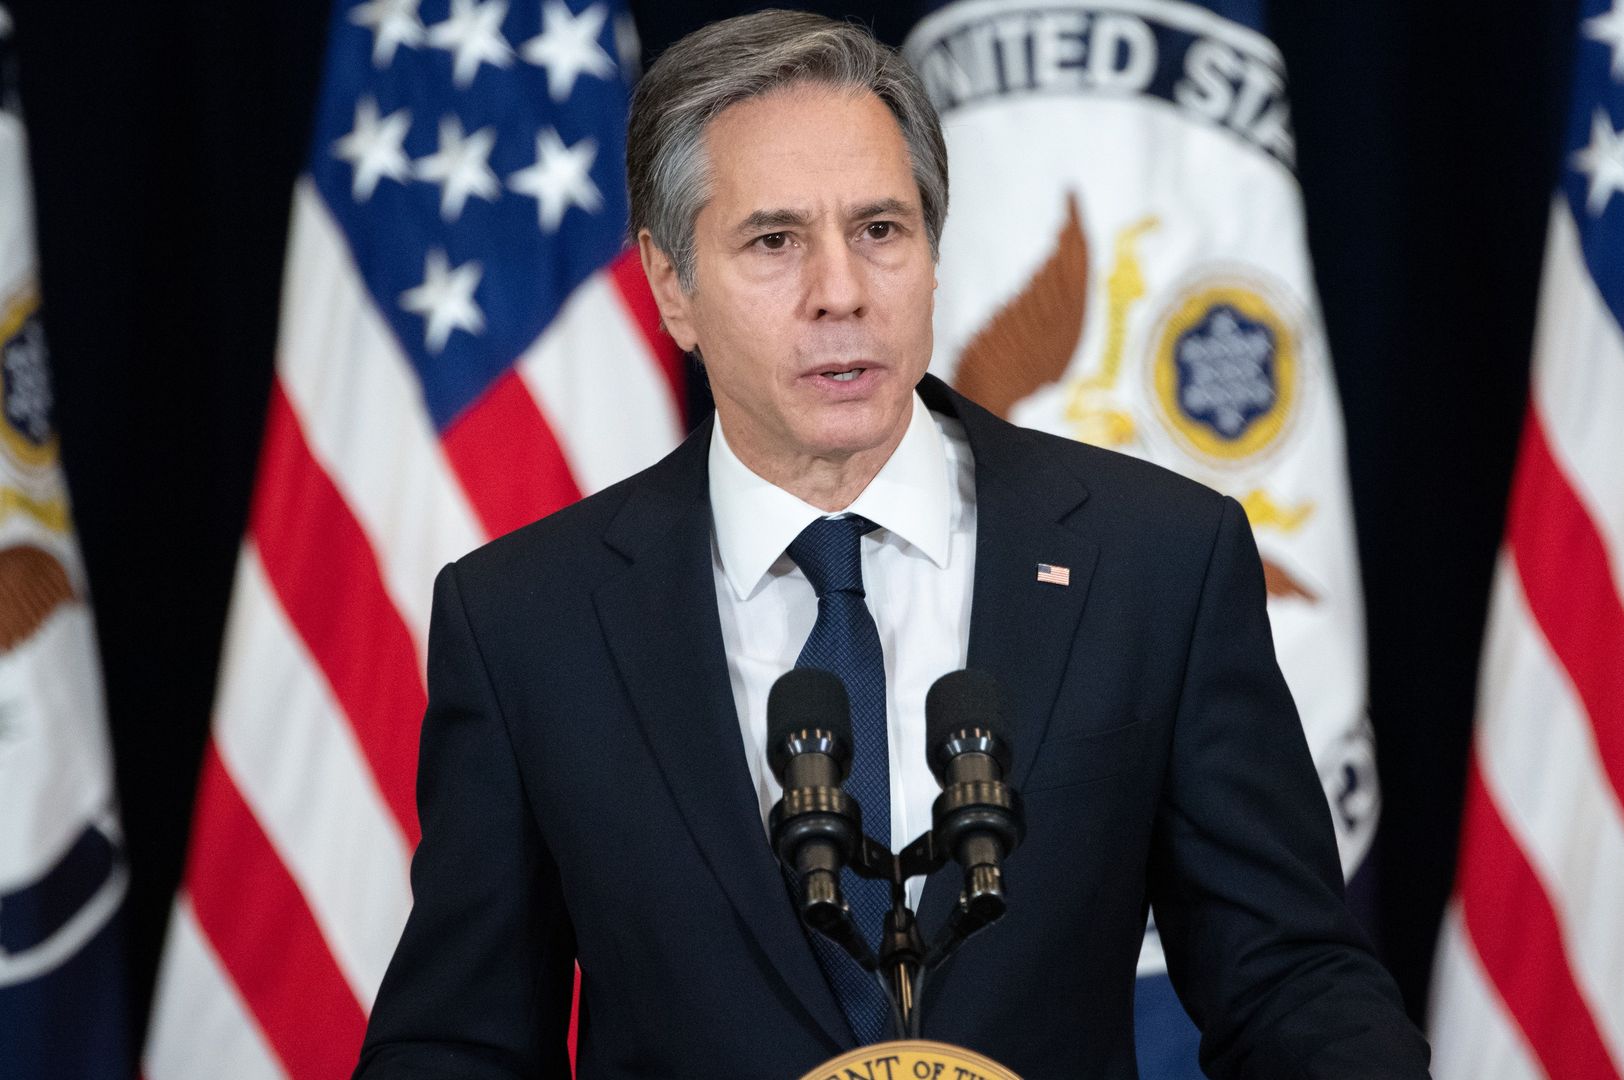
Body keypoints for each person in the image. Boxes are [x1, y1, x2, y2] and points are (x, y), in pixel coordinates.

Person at [354, 10, 1429, 1079]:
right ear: (672, 284)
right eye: (775, 242)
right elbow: (461, 1040)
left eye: (880, 230)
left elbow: (1288, 977)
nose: (842, 293)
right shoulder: (529, 623)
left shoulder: (1154, 563)